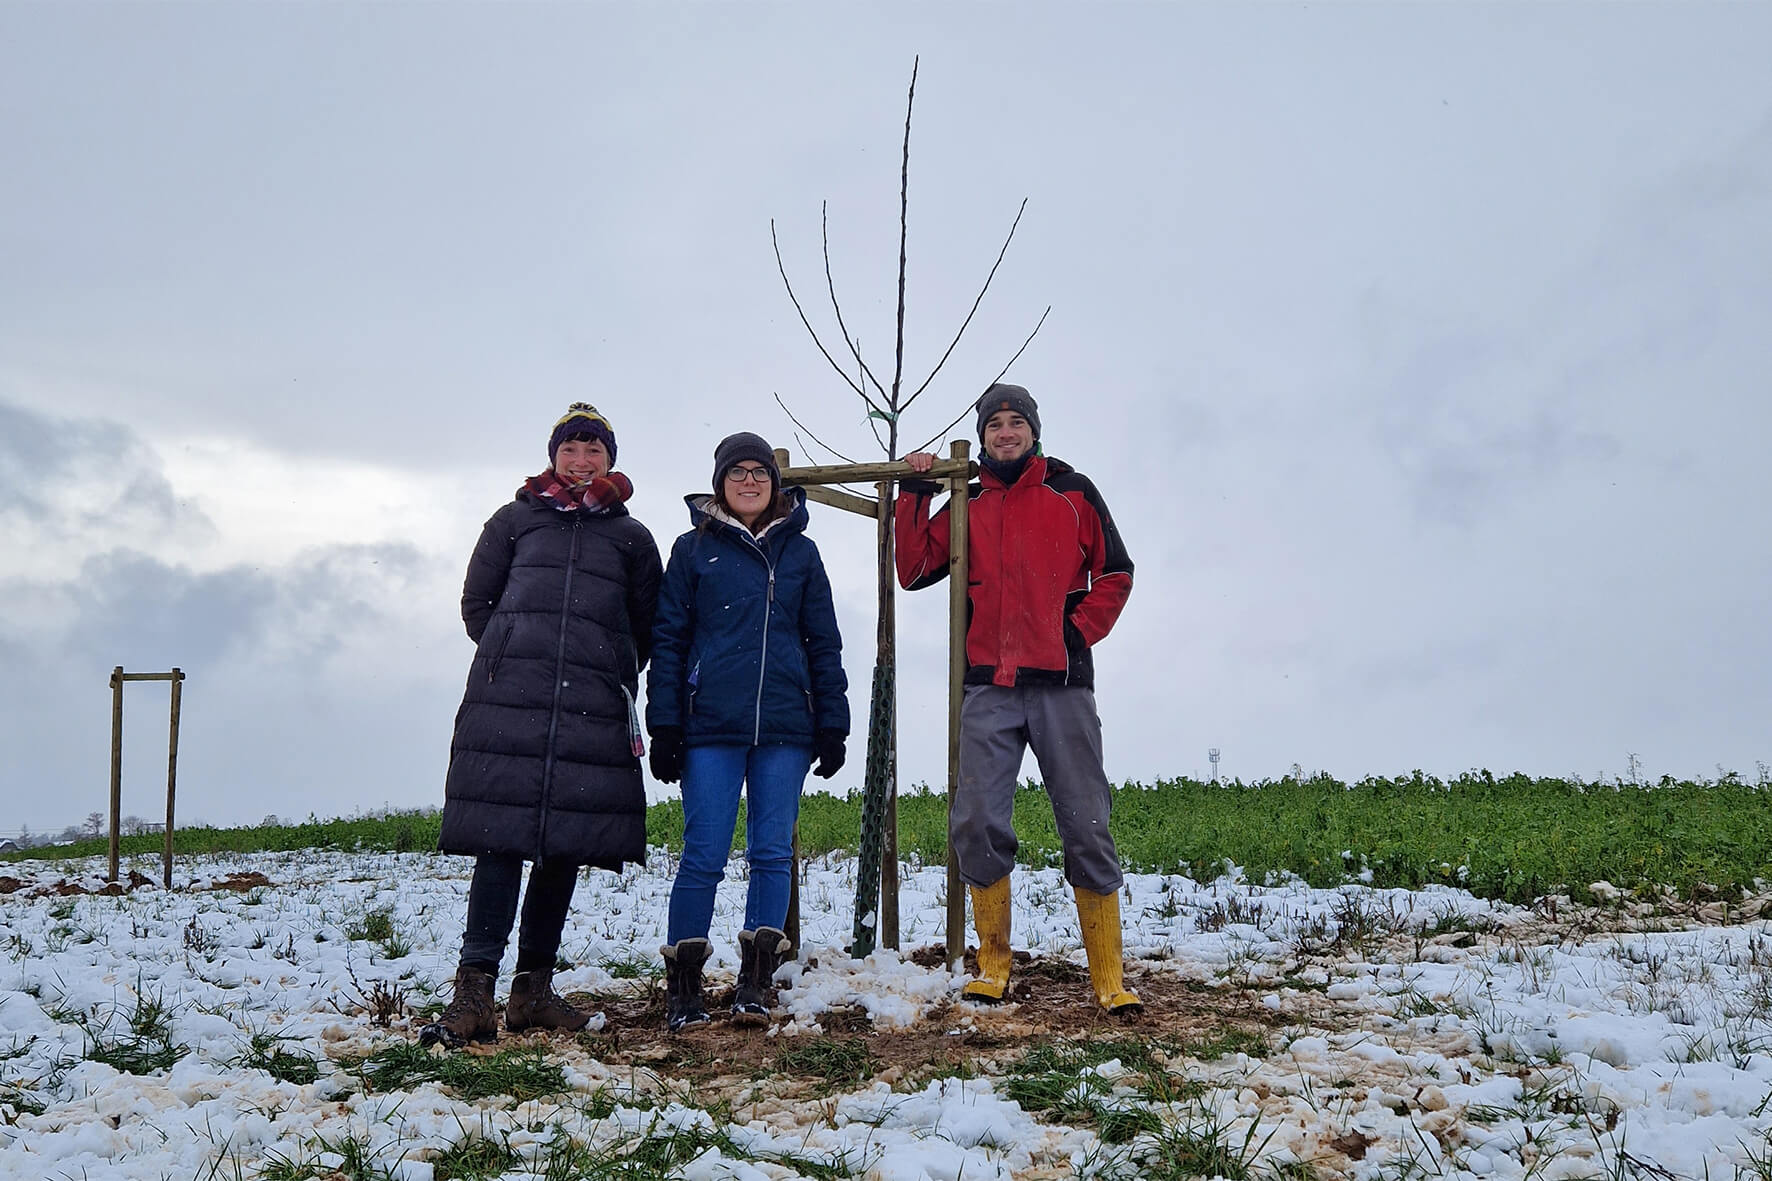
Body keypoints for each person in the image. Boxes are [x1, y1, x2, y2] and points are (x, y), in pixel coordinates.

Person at [421, 403, 662, 1048]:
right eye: (571, 449)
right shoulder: (514, 521)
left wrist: (604, 667)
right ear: (553, 455)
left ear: (610, 458)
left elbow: (645, 627)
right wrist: (512, 651)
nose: (582, 462)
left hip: (590, 707)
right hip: (510, 707)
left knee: (564, 849)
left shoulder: (632, 538)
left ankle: (532, 993)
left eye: (594, 451)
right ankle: (473, 995)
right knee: (499, 843)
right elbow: (477, 605)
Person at [896, 384, 1141, 1013]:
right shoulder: (966, 499)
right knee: (976, 819)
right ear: (981, 436)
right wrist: (916, 492)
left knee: (1086, 819)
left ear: (1034, 430)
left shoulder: (1073, 491)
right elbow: (915, 569)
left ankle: (1109, 980)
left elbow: (1117, 571)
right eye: (995, 425)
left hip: (1061, 685)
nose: (1005, 433)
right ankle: (993, 966)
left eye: (1016, 423)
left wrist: (1076, 630)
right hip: (989, 686)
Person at [647, 432, 849, 1032]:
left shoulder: (803, 555)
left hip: (787, 726)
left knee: (770, 852)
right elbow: (669, 641)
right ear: (720, 484)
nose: (750, 482)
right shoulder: (691, 551)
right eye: (737, 473)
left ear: (775, 483)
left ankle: (756, 980)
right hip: (709, 725)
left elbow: (823, 642)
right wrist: (665, 723)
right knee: (704, 852)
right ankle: (683, 986)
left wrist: (832, 722)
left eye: (760, 472)